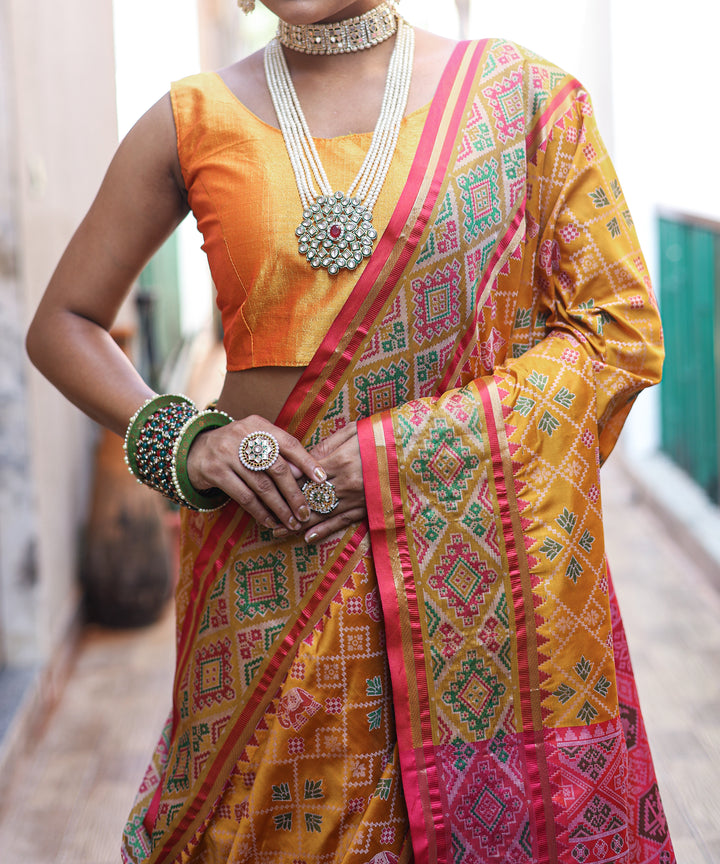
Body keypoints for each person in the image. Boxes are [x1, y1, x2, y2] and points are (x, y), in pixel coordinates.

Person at [26, 2, 676, 862]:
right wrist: (185, 439)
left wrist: (402, 459)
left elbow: (618, 332)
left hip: (465, 592)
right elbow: (62, 321)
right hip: (264, 579)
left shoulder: (523, 100)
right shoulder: (192, 117)